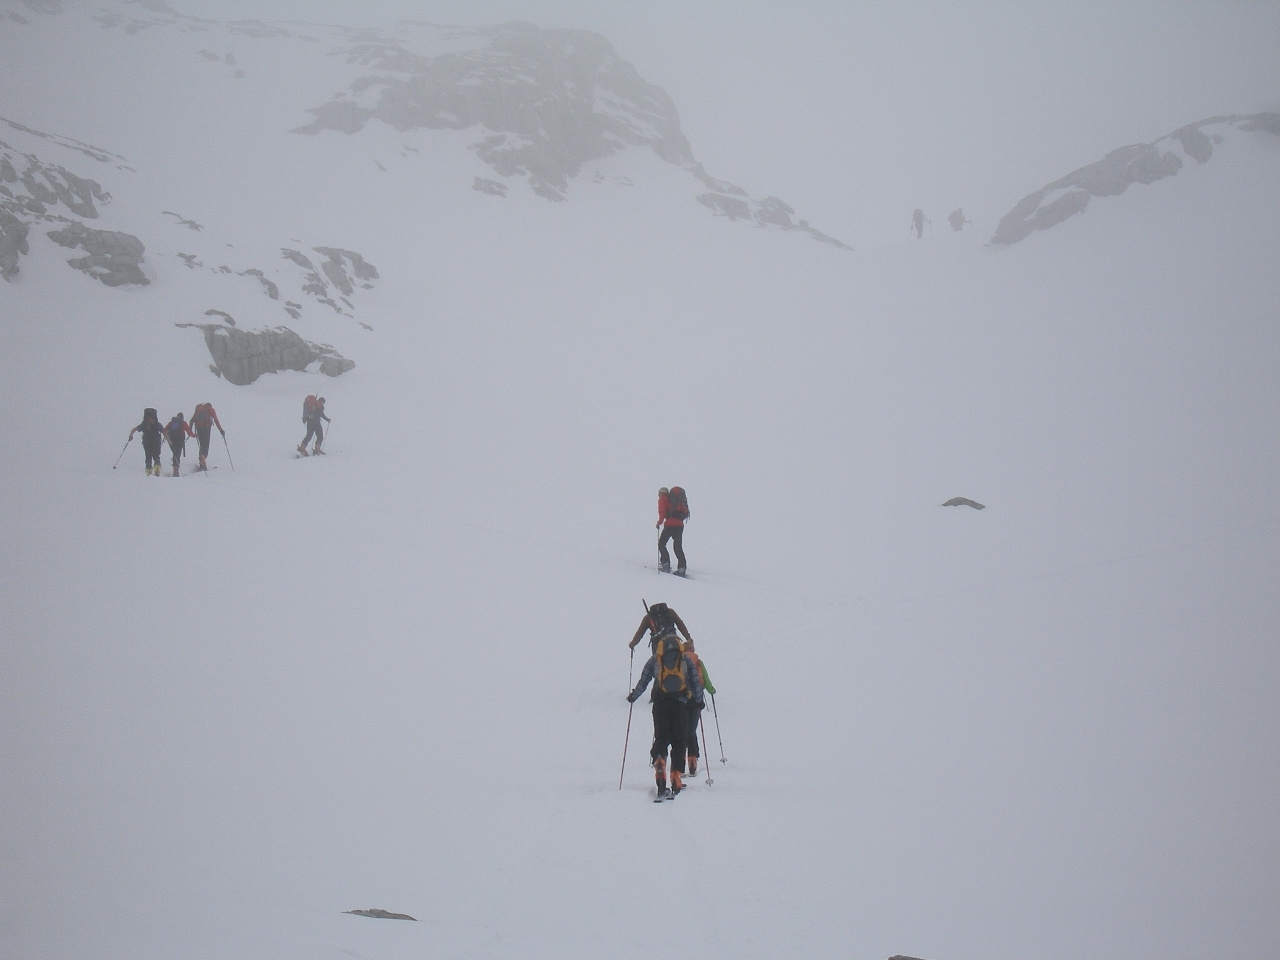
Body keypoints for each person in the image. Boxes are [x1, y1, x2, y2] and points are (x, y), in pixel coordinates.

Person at [627, 633, 704, 799]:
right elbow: (695, 682)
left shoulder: (655, 659)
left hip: (660, 704)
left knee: (661, 738)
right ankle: (675, 776)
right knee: (679, 741)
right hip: (680, 704)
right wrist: (698, 701)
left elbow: (644, 681)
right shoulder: (685, 659)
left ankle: (660, 762)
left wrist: (634, 695)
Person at [681, 638, 716, 777]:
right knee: (692, 731)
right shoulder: (698, 662)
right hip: (696, 701)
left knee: (681, 730)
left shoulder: (679, 662)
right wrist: (711, 690)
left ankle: (680, 759)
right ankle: (693, 759)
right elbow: (706, 680)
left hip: (681, 701)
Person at [628, 601, 693, 652]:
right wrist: (688, 638)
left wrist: (632, 644)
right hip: (674, 643)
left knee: (656, 665)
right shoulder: (670, 612)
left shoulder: (648, 617)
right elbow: (680, 625)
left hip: (657, 647)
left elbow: (640, 633)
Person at [656, 485, 689, 575]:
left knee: (661, 543)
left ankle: (665, 564)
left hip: (670, 524)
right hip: (680, 525)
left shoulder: (663, 498)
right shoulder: (674, 500)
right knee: (678, 546)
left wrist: (659, 523)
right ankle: (682, 568)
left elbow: (662, 512)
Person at [128, 407, 164, 476]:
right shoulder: (157, 424)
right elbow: (164, 431)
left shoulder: (144, 424)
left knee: (148, 457)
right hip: (156, 442)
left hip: (146, 442)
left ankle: (149, 472)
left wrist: (131, 435)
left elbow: (134, 429)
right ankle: (157, 470)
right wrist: (169, 441)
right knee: (156, 456)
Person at [190, 402, 225, 472]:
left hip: (198, 428)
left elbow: (192, 420)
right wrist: (220, 430)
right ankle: (203, 461)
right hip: (206, 428)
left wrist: (190, 431)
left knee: (201, 444)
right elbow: (216, 420)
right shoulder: (211, 409)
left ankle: (201, 461)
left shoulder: (198, 409)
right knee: (205, 445)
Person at [164, 412, 195, 477]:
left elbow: (165, 429)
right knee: (177, 454)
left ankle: (175, 470)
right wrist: (195, 435)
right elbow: (189, 432)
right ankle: (176, 471)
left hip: (171, 440)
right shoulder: (183, 423)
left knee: (175, 454)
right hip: (179, 441)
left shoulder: (171, 422)